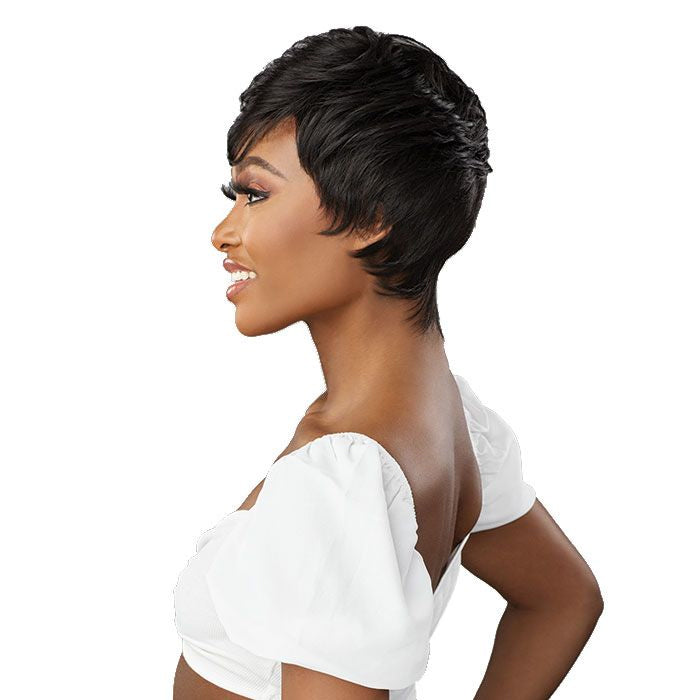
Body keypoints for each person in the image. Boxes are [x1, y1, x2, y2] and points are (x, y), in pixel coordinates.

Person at [173, 26, 603, 700]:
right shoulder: (449, 421)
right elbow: (561, 600)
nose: (223, 233)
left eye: (255, 193)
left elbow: (564, 602)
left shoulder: (340, 484)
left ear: (371, 218)